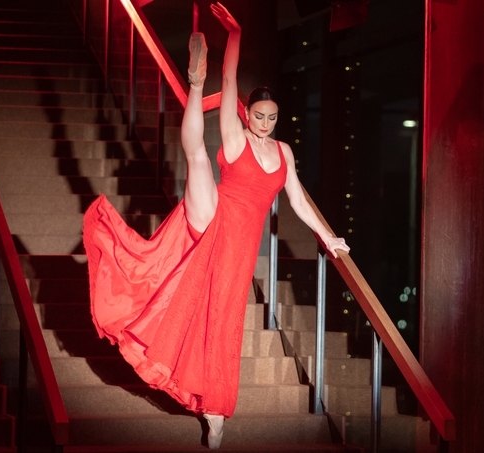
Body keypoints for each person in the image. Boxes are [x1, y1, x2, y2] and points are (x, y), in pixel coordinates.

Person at [82, 2, 349, 449]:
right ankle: (195, 83)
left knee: (221, 320)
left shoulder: (284, 153)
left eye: (272, 118)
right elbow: (231, 79)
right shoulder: (236, 136)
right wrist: (235, 35)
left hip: (239, 251)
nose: (265, 124)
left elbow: (299, 201)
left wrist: (327, 235)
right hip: (215, 216)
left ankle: (213, 409)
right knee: (199, 158)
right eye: (259, 115)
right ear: (247, 113)